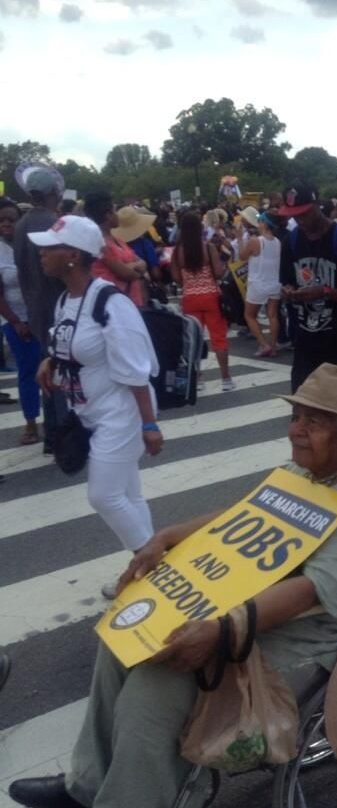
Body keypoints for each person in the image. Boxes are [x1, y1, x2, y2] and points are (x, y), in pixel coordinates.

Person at [10, 364, 337, 808]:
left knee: (160, 679)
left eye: (315, 421)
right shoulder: (301, 475)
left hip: (305, 635)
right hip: (247, 609)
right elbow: (234, 520)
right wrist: (167, 537)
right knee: (124, 639)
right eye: (297, 416)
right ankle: (88, 785)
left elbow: (315, 589)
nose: (296, 429)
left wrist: (225, 629)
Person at [30, 216, 162, 594]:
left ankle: (155, 574)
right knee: (129, 496)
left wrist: (149, 425)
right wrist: (51, 360)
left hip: (123, 411)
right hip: (92, 412)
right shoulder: (66, 299)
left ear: (72, 255)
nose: (41, 253)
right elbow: (73, 344)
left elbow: (137, 369)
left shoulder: (110, 302)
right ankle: (148, 567)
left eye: (49, 247)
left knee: (103, 495)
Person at [279, 180, 337, 392]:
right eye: (293, 215)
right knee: (302, 412)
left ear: (317, 205)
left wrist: (325, 292)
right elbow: (286, 280)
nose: (298, 220)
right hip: (305, 346)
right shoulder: (291, 242)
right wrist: (288, 291)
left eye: (303, 213)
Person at [12, 164, 66, 450]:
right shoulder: (54, 223)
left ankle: (52, 431)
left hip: (34, 306)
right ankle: (62, 433)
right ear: (52, 193)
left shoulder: (20, 225)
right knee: (63, 368)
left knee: (47, 367)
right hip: (58, 304)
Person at [171, 210, 235, 391]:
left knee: (194, 340)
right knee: (219, 338)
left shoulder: (177, 252)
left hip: (190, 298)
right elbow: (218, 273)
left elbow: (176, 278)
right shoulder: (208, 248)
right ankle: (226, 378)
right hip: (211, 297)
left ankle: (198, 379)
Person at [0, 197, 43, 444]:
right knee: (28, 373)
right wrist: (17, 322)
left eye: (11, 219)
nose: (7, 224)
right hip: (15, 320)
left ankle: (57, 420)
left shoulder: (31, 244)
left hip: (41, 317)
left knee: (54, 369)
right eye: (2, 220)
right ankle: (30, 425)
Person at [83, 192, 149, 307]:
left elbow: (142, 263)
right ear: (108, 215)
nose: (117, 215)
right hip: (115, 306)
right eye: (115, 211)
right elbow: (127, 274)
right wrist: (137, 269)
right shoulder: (100, 243)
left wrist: (131, 267)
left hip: (133, 303)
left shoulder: (118, 240)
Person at [239, 208, 282, 357]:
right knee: (273, 315)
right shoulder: (278, 242)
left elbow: (242, 256)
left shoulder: (255, 241)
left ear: (264, 223)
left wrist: (239, 238)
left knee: (249, 315)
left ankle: (263, 344)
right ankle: (274, 347)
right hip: (274, 283)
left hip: (257, 283)